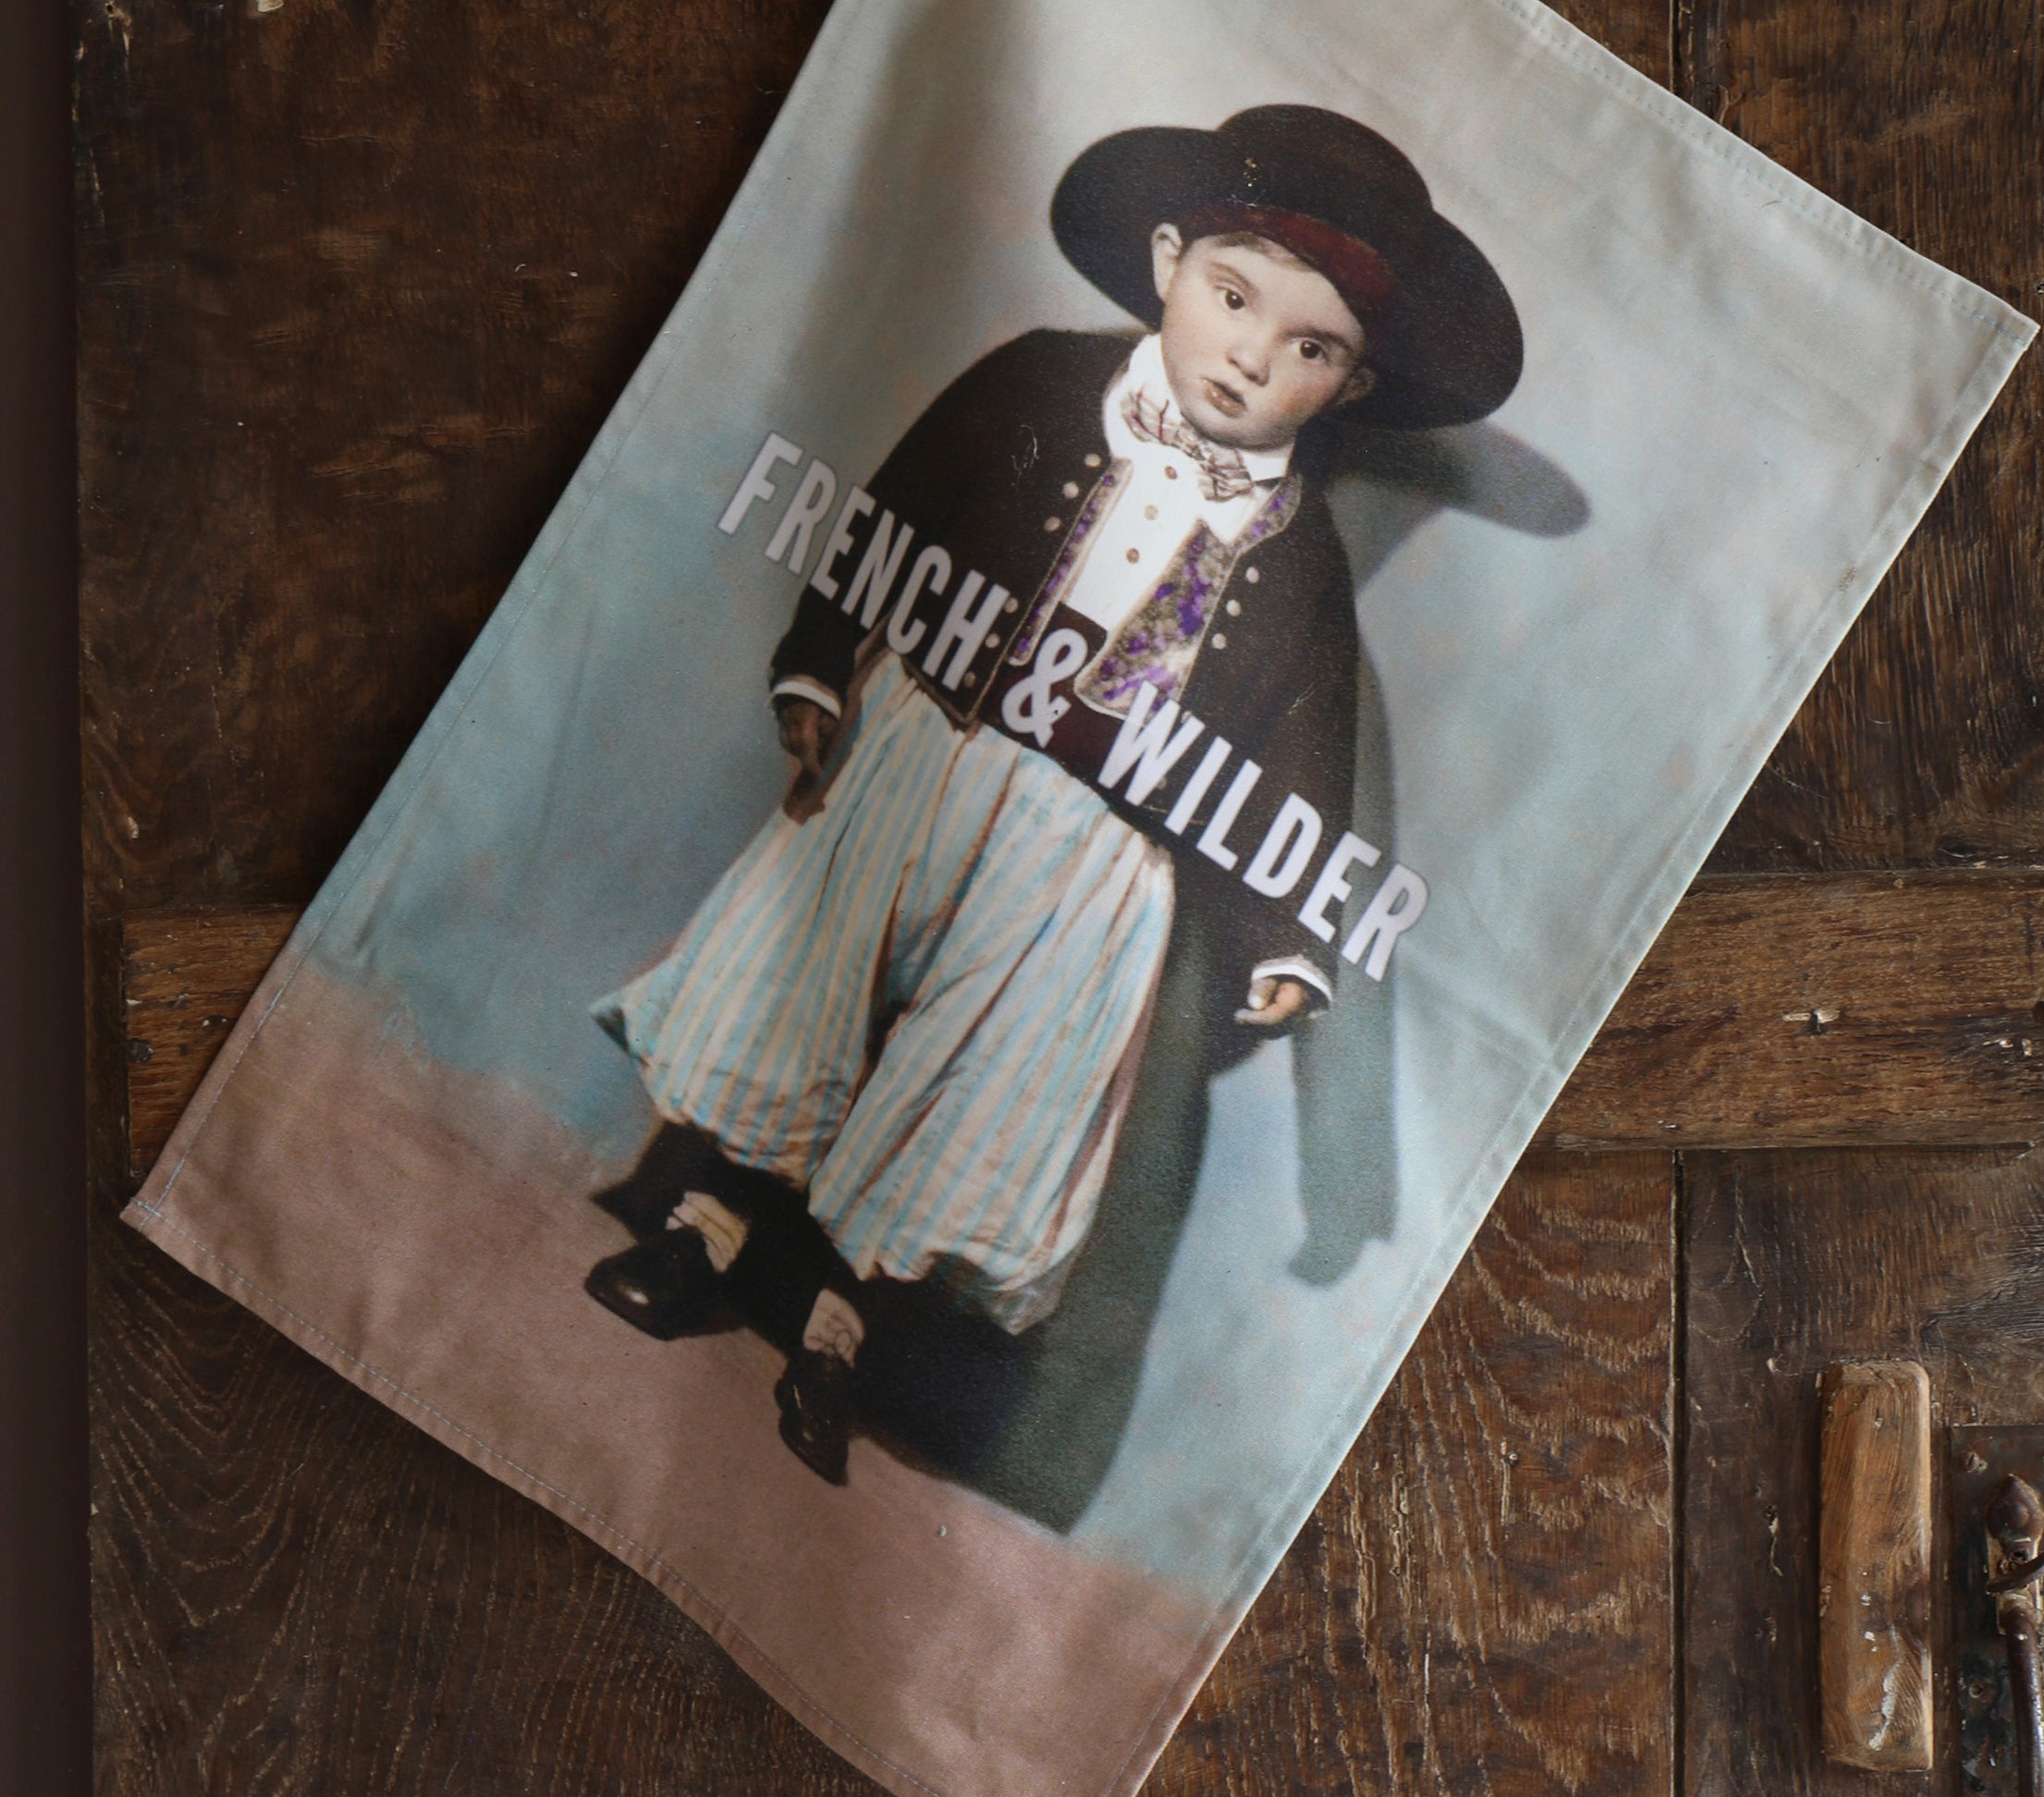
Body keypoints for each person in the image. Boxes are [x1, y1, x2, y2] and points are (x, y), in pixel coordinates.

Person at [583, 104, 1523, 1487]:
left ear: (1353, 389)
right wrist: (820, 671)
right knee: (811, 993)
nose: (1253, 356)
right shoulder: (1034, 386)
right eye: (1235, 295)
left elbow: (1303, 767)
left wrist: (1285, 936)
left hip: (1096, 864)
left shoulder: (1302, 564)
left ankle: (837, 1339)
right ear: (1165, 264)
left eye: (1310, 348)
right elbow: (888, 519)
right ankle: (704, 1241)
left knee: (981, 1089)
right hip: (930, 752)